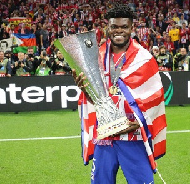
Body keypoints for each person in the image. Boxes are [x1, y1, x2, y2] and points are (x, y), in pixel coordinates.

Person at [72, 4, 166, 184]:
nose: (119, 31)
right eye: (114, 26)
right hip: (105, 136)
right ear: (107, 27)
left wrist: (135, 122)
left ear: (131, 28)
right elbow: (96, 99)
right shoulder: (96, 56)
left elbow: (155, 98)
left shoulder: (144, 58)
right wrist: (85, 90)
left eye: (124, 27)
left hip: (133, 137)